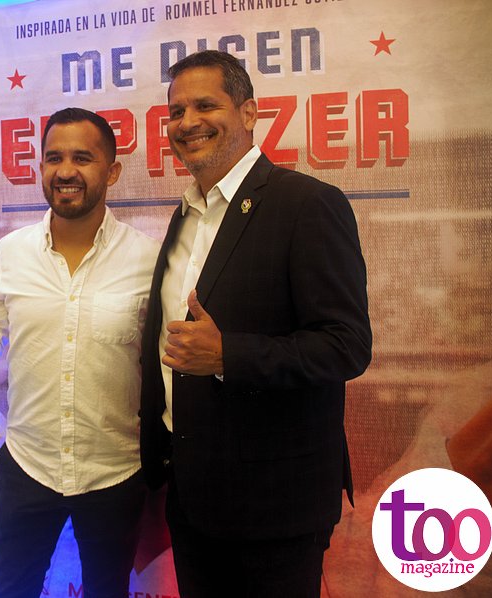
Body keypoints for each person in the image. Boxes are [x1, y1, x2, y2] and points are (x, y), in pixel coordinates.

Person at [139, 50, 372, 597]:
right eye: (176, 112)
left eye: (205, 106)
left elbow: (346, 345)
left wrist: (229, 356)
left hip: (276, 506)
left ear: (249, 113)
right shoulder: (183, 215)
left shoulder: (307, 204)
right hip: (191, 500)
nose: (188, 122)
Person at [0, 107, 159, 598]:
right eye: (54, 158)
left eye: (82, 158)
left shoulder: (147, 258)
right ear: (40, 168)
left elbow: (162, 360)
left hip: (113, 473)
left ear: (112, 171)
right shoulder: (11, 251)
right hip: (27, 467)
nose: (65, 170)